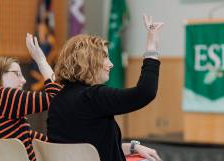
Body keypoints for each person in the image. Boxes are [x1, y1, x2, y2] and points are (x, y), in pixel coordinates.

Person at [47, 15, 163, 161]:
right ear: (89, 61)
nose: (111, 64)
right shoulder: (93, 97)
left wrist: (133, 147)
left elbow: (90, 150)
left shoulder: (58, 100)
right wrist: (152, 47)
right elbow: (145, 92)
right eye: (106, 57)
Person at [0, 34, 62, 161]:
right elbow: (57, 98)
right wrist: (41, 61)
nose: (23, 80)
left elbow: (32, 137)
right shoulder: (3, 96)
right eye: (17, 74)